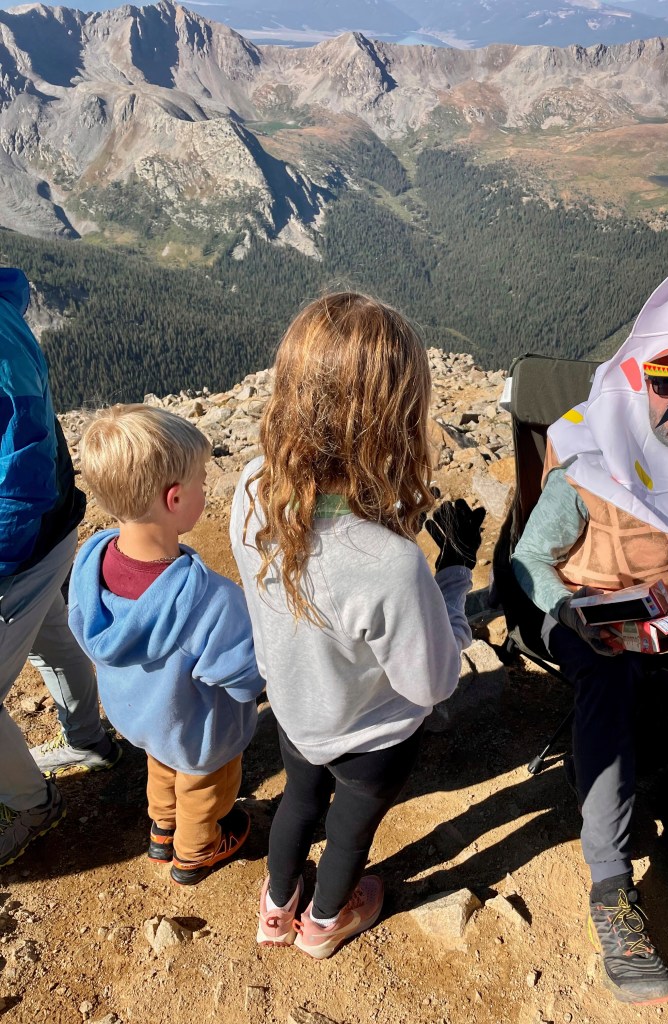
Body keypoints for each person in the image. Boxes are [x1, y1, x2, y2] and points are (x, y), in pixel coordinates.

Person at [511, 241, 668, 1006]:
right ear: (637, 379)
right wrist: (575, 613)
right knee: (610, 694)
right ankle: (611, 887)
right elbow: (530, 561)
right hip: (591, 616)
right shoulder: (592, 463)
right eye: (667, 379)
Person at [231, 292, 485, 958]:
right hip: (371, 738)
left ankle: (274, 908)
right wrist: (453, 574)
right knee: (347, 833)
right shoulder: (392, 566)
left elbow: (324, 576)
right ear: (394, 418)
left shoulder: (255, 486)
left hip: (294, 709)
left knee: (297, 805)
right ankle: (323, 923)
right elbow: (431, 682)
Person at [68, 405, 264, 885]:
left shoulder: (89, 566)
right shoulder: (211, 601)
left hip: (140, 717)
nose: (204, 486)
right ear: (175, 499)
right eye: (201, 478)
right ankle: (196, 850)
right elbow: (246, 680)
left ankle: (162, 830)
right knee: (204, 788)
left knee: (161, 766)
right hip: (198, 733)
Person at [0, 268, 120, 869]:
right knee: (51, 636)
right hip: (46, 535)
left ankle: (33, 805)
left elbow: (17, 479)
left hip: (17, 545)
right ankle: (90, 741)